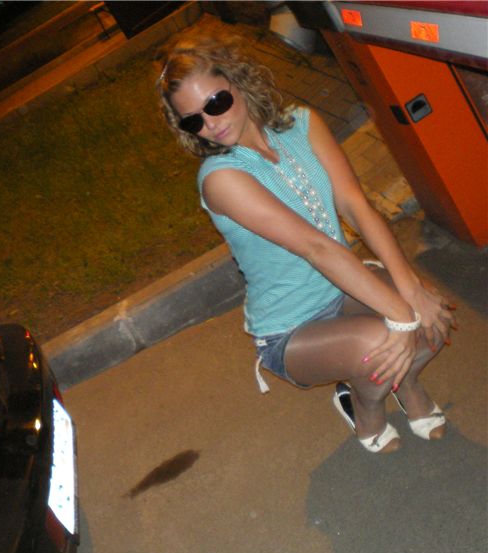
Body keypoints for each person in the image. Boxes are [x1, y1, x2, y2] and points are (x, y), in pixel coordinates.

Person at [156, 27, 457, 453]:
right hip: (290, 326)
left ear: (238, 82)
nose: (211, 123)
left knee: (432, 316)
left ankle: (404, 384)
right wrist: (399, 314)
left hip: (342, 286)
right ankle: (365, 407)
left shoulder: (303, 123)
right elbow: (316, 247)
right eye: (193, 120)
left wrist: (410, 289)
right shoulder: (221, 178)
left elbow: (354, 204)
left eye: (216, 103)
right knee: (384, 340)